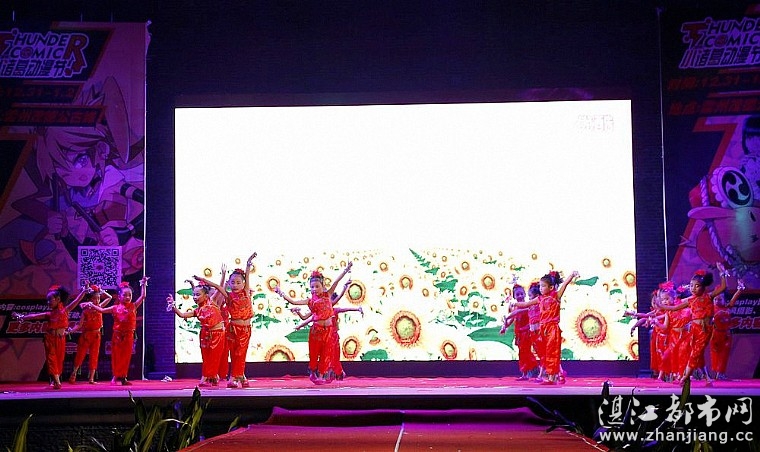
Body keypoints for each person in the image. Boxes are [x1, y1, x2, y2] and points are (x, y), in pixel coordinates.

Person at [275, 261, 352, 384]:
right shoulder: (310, 301)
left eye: (317, 286)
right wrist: (281, 293)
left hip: (329, 330)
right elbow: (294, 302)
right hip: (317, 331)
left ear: (322, 286)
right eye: (312, 287)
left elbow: (336, 282)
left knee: (326, 354)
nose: (314, 289)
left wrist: (346, 270)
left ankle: (321, 375)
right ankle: (313, 373)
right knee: (315, 353)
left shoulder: (328, 295)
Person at [194, 252, 256, 388]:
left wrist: (248, 263)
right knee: (235, 354)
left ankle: (240, 376)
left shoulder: (246, 292)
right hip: (233, 328)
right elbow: (217, 287)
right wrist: (202, 279)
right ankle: (233, 378)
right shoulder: (228, 296)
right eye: (232, 282)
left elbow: (247, 275)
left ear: (243, 283)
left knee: (241, 353)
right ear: (229, 283)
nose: (235, 285)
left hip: (246, 329)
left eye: (238, 282)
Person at [662, 264, 727, 386]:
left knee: (695, 353)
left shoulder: (708, 297)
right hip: (694, 330)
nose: (693, 288)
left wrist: (722, 272)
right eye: (691, 285)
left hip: (704, 330)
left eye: (697, 286)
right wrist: (660, 305)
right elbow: (674, 308)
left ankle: (684, 377)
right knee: (698, 354)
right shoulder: (691, 300)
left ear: (703, 287)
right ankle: (706, 378)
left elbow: (723, 287)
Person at [511, 270, 578, 385]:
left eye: (543, 286)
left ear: (551, 287)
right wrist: (515, 303)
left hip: (552, 328)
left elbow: (565, 284)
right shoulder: (540, 299)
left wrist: (571, 275)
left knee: (552, 352)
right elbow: (526, 304)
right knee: (546, 353)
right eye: (540, 286)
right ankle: (554, 375)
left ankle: (552, 377)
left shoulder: (556, 296)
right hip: (543, 329)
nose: (541, 288)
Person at [13, 284, 86, 389]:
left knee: (59, 360)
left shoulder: (65, 310)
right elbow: (34, 316)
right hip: (50, 339)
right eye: (47, 300)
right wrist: (22, 317)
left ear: (58, 299)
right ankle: (57, 382)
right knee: (52, 360)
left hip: (61, 339)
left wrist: (84, 291)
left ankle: (55, 380)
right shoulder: (49, 314)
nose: (48, 302)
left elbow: (77, 300)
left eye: (50, 300)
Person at [82, 275, 149, 385]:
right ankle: (115, 376)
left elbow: (143, 296)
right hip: (117, 336)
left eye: (130, 295)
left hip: (129, 335)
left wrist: (143, 284)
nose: (127, 297)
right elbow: (101, 310)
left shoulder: (133, 306)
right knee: (116, 357)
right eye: (125, 295)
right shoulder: (115, 308)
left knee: (126, 357)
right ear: (119, 296)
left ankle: (123, 377)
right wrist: (91, 305)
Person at [167, 282, 225, 387]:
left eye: (197, 295)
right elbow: (182, 315)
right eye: (193, 295)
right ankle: (210, 377)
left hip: (218, 334)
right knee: (206, 358)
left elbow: (219, 287)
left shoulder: (212, 302)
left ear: (206, 296)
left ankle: (209, 377)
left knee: (214, 357)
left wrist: (222, 275)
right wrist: (173, 305)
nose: (194, 297)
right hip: (205, 334)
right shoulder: (197, 311)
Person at [68, 283, 113, 384]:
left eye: (98, 298)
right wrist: (71, 330)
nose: (97, 301)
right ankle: (74, 373)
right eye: (94, 299)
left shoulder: (100, 307)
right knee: (80, 354)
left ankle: (91, 378)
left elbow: (109, 297)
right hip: (86, 335)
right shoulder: (85, 311)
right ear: (90, 299)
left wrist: (101, 291)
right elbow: (79, 325)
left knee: (94, 356)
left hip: (96, 335)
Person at [500, 284, 538, 380]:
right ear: (514, 296)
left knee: (526, 352)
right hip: (519, 334)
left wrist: (524, 328)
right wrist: (504, 326)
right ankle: (525, 373)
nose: (520, 296)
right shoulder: (515, 308)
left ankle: (535, 367)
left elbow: (528, 320)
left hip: (526, 333)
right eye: (517, 294)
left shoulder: (528, 306)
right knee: (522, 353)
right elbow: (511, 320)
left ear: (525, 294)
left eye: (521, 294)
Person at [710, 279, 744, 381]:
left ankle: (721, 373)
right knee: (715, 355)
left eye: (720, 299)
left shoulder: (728, 307)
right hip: (715, 335)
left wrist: (740, 289)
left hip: (726, 335)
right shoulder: (711, 309)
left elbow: (734, 298)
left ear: (724, 299)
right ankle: (717, 373)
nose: (717, 301)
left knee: (724, 355)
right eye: (715, 299)